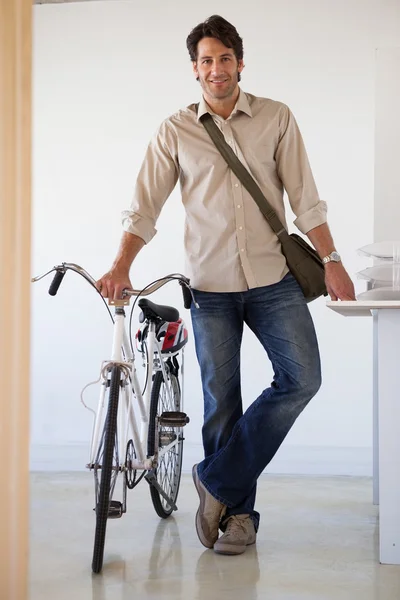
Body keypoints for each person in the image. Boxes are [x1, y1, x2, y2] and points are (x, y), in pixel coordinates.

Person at [96, 15, 356, 556]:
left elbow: (306, 198)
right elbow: (144, 206)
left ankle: (214, 483)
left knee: (302, 378)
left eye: (225, 58)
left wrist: (331, 259)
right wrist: (121, 265)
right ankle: (238, 518)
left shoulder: (276, 118)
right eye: (206, 60)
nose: (217, 69)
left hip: (273, 278)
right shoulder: (175, 130)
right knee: (222, 402)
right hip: (210, 285)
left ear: (241, 62)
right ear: (195, 69)